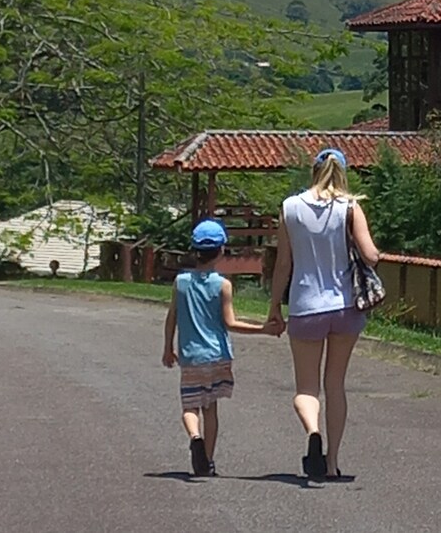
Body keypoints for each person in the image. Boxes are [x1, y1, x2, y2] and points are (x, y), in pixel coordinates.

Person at [265, 148, 381, 480]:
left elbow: (283, 264)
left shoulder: (290, 208)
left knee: (306, 390)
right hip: (345, 308)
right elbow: (370, 254)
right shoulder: (350, 207)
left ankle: (313, 432)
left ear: (314, 171)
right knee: (336, 385)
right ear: (342, 173)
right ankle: (332, 463)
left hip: (305, 308)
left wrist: (275, 305)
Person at [163, 219, 264, 477]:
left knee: (189, 406)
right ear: (221, 251)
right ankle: (207, 462)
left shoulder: (181, 282)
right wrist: (263, 329)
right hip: (217, 355)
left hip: (190, 356)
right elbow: (230, 322)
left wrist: (167, 347)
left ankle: (194, 437)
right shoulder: (223, 285)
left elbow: (171, 317)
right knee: (211, 409)